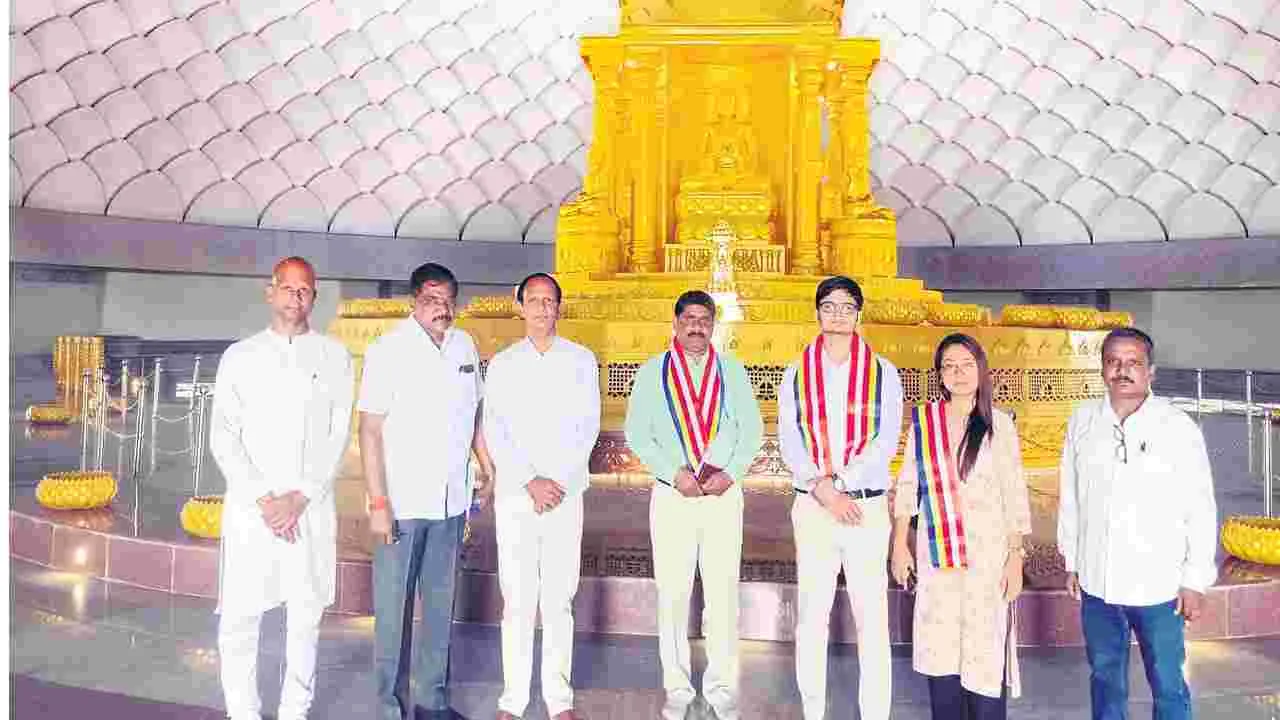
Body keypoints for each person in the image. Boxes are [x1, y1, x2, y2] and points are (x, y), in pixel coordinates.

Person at [210, 256, 354, 720]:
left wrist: (301, 496)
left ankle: (295, 710)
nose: (295, 297)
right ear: (269, 292)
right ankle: (243, 712)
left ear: (314, 297)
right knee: (240, 618)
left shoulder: (334, 356)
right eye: (287, 288)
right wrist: (265, 499)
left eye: (304, 290)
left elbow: (338, 434)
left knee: (305, 618)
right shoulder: (240, 356)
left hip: (308, 509)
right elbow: (223, 436)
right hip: (254, 511)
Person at [1058, 327, 1217, 720]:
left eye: (1133, 362)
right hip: (1098, 583)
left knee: (1168, 683)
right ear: (1102, 369)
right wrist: (1073, 561)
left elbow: (1200, 506)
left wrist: (1195, 579)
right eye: (1113, 361)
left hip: (1159, 586)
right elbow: (1071, 496)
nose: (1122, 370)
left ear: (1151, 371)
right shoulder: (1083, 421)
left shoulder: (1177, 426)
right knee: (1105, 679)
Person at [358, 262, 493, 720]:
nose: (443, 308)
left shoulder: (464, 345)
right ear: (414, 301)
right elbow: (369, 430)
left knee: (439, 609)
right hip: (402, 503)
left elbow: (474, 414)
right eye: (433, 299)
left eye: (449, 300)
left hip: (451, 502)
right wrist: (378, 501)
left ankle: (433, 702)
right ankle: (389, 709)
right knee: (393, 614)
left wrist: (486, 465)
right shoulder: (388, 350)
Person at [623, 290, 764, 720]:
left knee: (722, 593)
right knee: (672, 593)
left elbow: (751, 430)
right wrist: (673, 473)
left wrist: (731, 473)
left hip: (722, 495)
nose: (696, 326)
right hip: (673, 495)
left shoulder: (732, 371)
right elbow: (637, 433)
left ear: (713, 325)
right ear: (675, 323)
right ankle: (677, 688)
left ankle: (722, 689)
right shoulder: (653, 372)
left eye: (704, 319)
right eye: (689, 318)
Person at [777, 275, 903, 720]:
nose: (837, 314)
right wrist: (823, 488)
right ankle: (813, 711)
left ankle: (875, 714)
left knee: (872, 618)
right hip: (814, 506)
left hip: (864, 508)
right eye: (829, 306)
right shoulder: (796, 371)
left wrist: (843, 484)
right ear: (817, 313)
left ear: (858, 314)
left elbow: (885, 441)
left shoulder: (883, 373)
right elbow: (789, 440)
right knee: (812, 616)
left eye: (847, 307)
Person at [890, 333, 1031, 719]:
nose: (959, 373)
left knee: (984, 653)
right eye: (949, 366)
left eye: (967, 364)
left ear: (981, 369)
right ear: (940, 375)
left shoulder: (999, 424)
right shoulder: (925, 424)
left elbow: (1014, 493)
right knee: (942, 651)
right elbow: (908, 485)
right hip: (938, 559)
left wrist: (1015, 557)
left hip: (988, 559)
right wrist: (899, 544)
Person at [484, 273, 600, 720]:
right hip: (517, 496)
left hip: (564, 495)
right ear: (520, 306)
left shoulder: (581, 361)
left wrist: (556, 482)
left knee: (558, 599)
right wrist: (529, 481)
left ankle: (559, 698)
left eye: (549, 301)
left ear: (559, 307)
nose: (541, 308)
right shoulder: (503, 364)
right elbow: (495, 429)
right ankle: (512, 699)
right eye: (533, 300)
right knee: (516, 599)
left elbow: (587, 426)